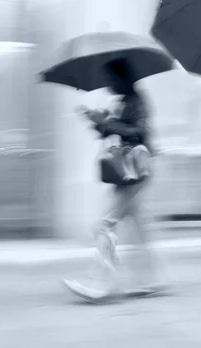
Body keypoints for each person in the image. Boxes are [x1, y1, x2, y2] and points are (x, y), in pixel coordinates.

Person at [61, 58, 165, 303]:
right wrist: (96, 121)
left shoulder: (137, 100)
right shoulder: (122, 102)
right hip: (127, 173)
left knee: (106, 225)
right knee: (139, 229)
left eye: (110, 79)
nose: (107, 84)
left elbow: (139, 132)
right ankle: (150, 281)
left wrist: (107, 123)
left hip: (136, 171)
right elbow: (115, 132)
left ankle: (99, 283)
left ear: (122, 77)